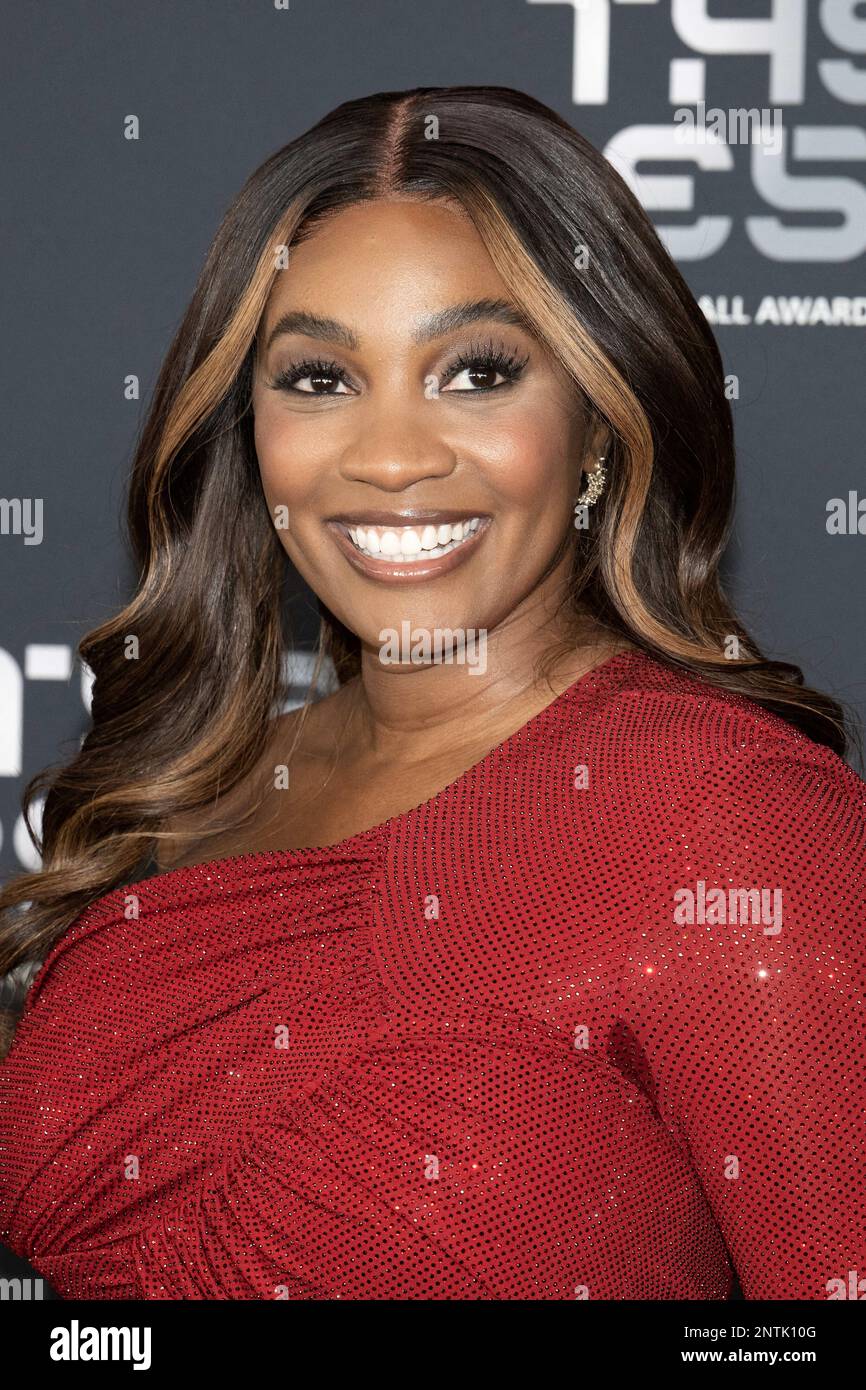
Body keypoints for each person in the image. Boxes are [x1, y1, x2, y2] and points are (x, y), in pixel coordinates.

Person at [0, 85, 863, 1300]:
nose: (392, 456)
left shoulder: (727, 821)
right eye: (316, 379)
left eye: (476, 370)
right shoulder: (201, 788)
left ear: (601, 420)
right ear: (247, 429)